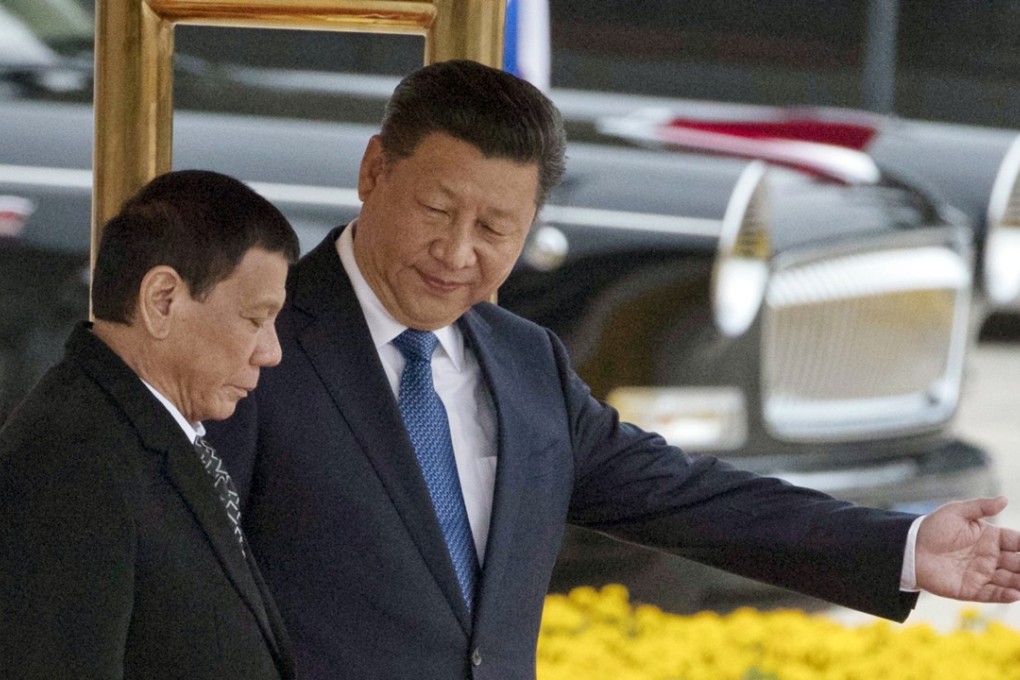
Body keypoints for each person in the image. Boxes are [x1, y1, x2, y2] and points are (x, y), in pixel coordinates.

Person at [206, 60, 1020, 680]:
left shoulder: (524, 362)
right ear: (374, 170)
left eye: (496, 227)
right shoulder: (244, 346)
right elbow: (174, 591)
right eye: (436, 211)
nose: (458, 254)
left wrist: (906, 547)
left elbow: (689, 498)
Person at [0, 170, 300, 679]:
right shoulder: (71, 465)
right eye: (255, 319)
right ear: (162, 300)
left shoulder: (139, 435)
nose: (271, 352)